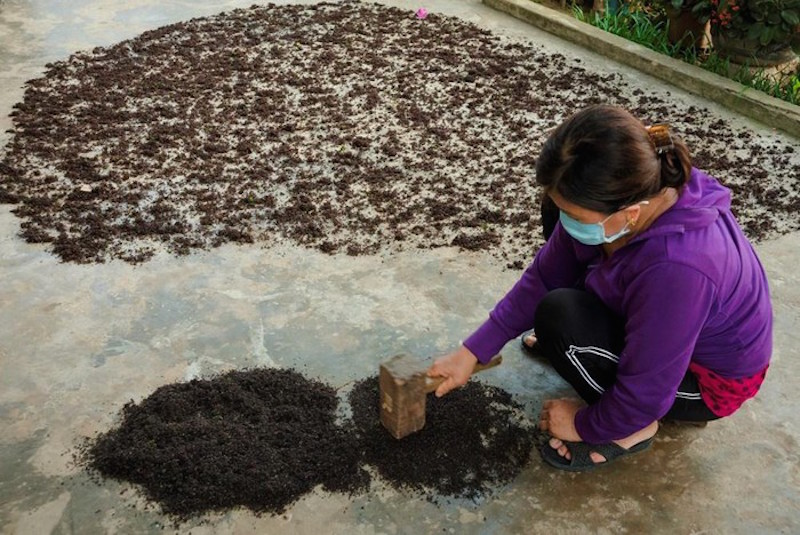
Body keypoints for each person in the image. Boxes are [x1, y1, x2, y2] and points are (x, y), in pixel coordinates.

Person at [428, 105, 772, 472]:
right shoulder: (638, 187)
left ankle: (632, 432)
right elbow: (547, 275)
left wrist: (585, 424)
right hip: (662, 320)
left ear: (631, 213)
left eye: (576, 217)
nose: (566, 222)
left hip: (705, 380)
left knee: (559, 318)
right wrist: (473, 350)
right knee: (560, 267)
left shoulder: (678, 268)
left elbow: (647, 393)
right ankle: (593, 347)